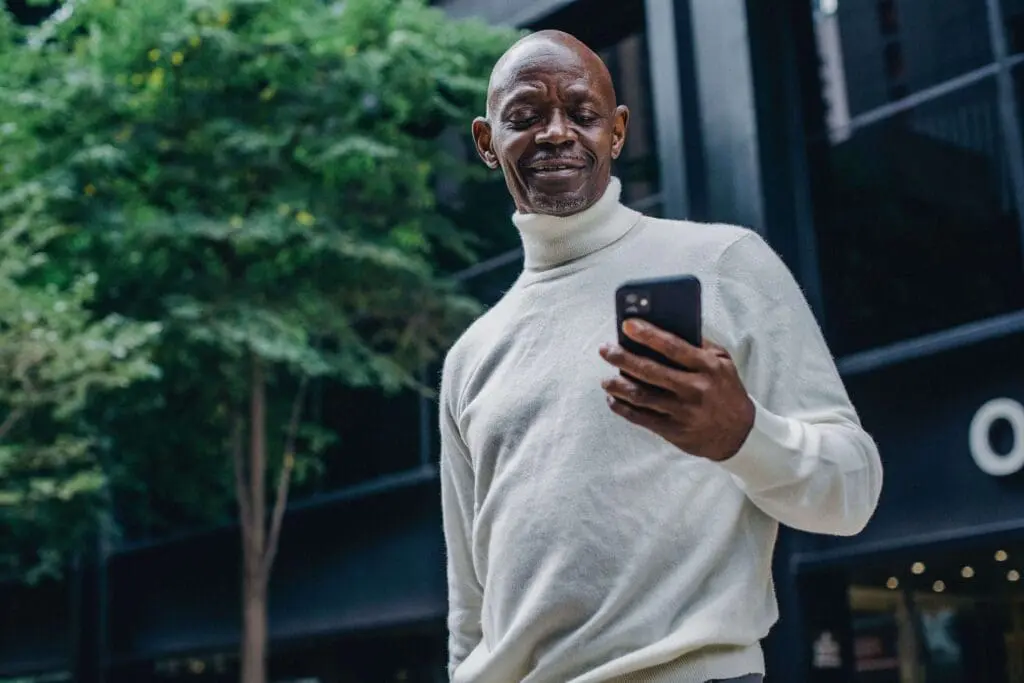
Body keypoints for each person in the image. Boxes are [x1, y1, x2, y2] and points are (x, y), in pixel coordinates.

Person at [438, 29, 883, 683]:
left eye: (582, 113)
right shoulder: (469, 355)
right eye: (525, 117)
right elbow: (469, 609)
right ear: (486, 141)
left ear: (617, 132)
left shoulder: (726, 263)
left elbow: (854, 490)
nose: (556, 133)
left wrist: (743, 435)